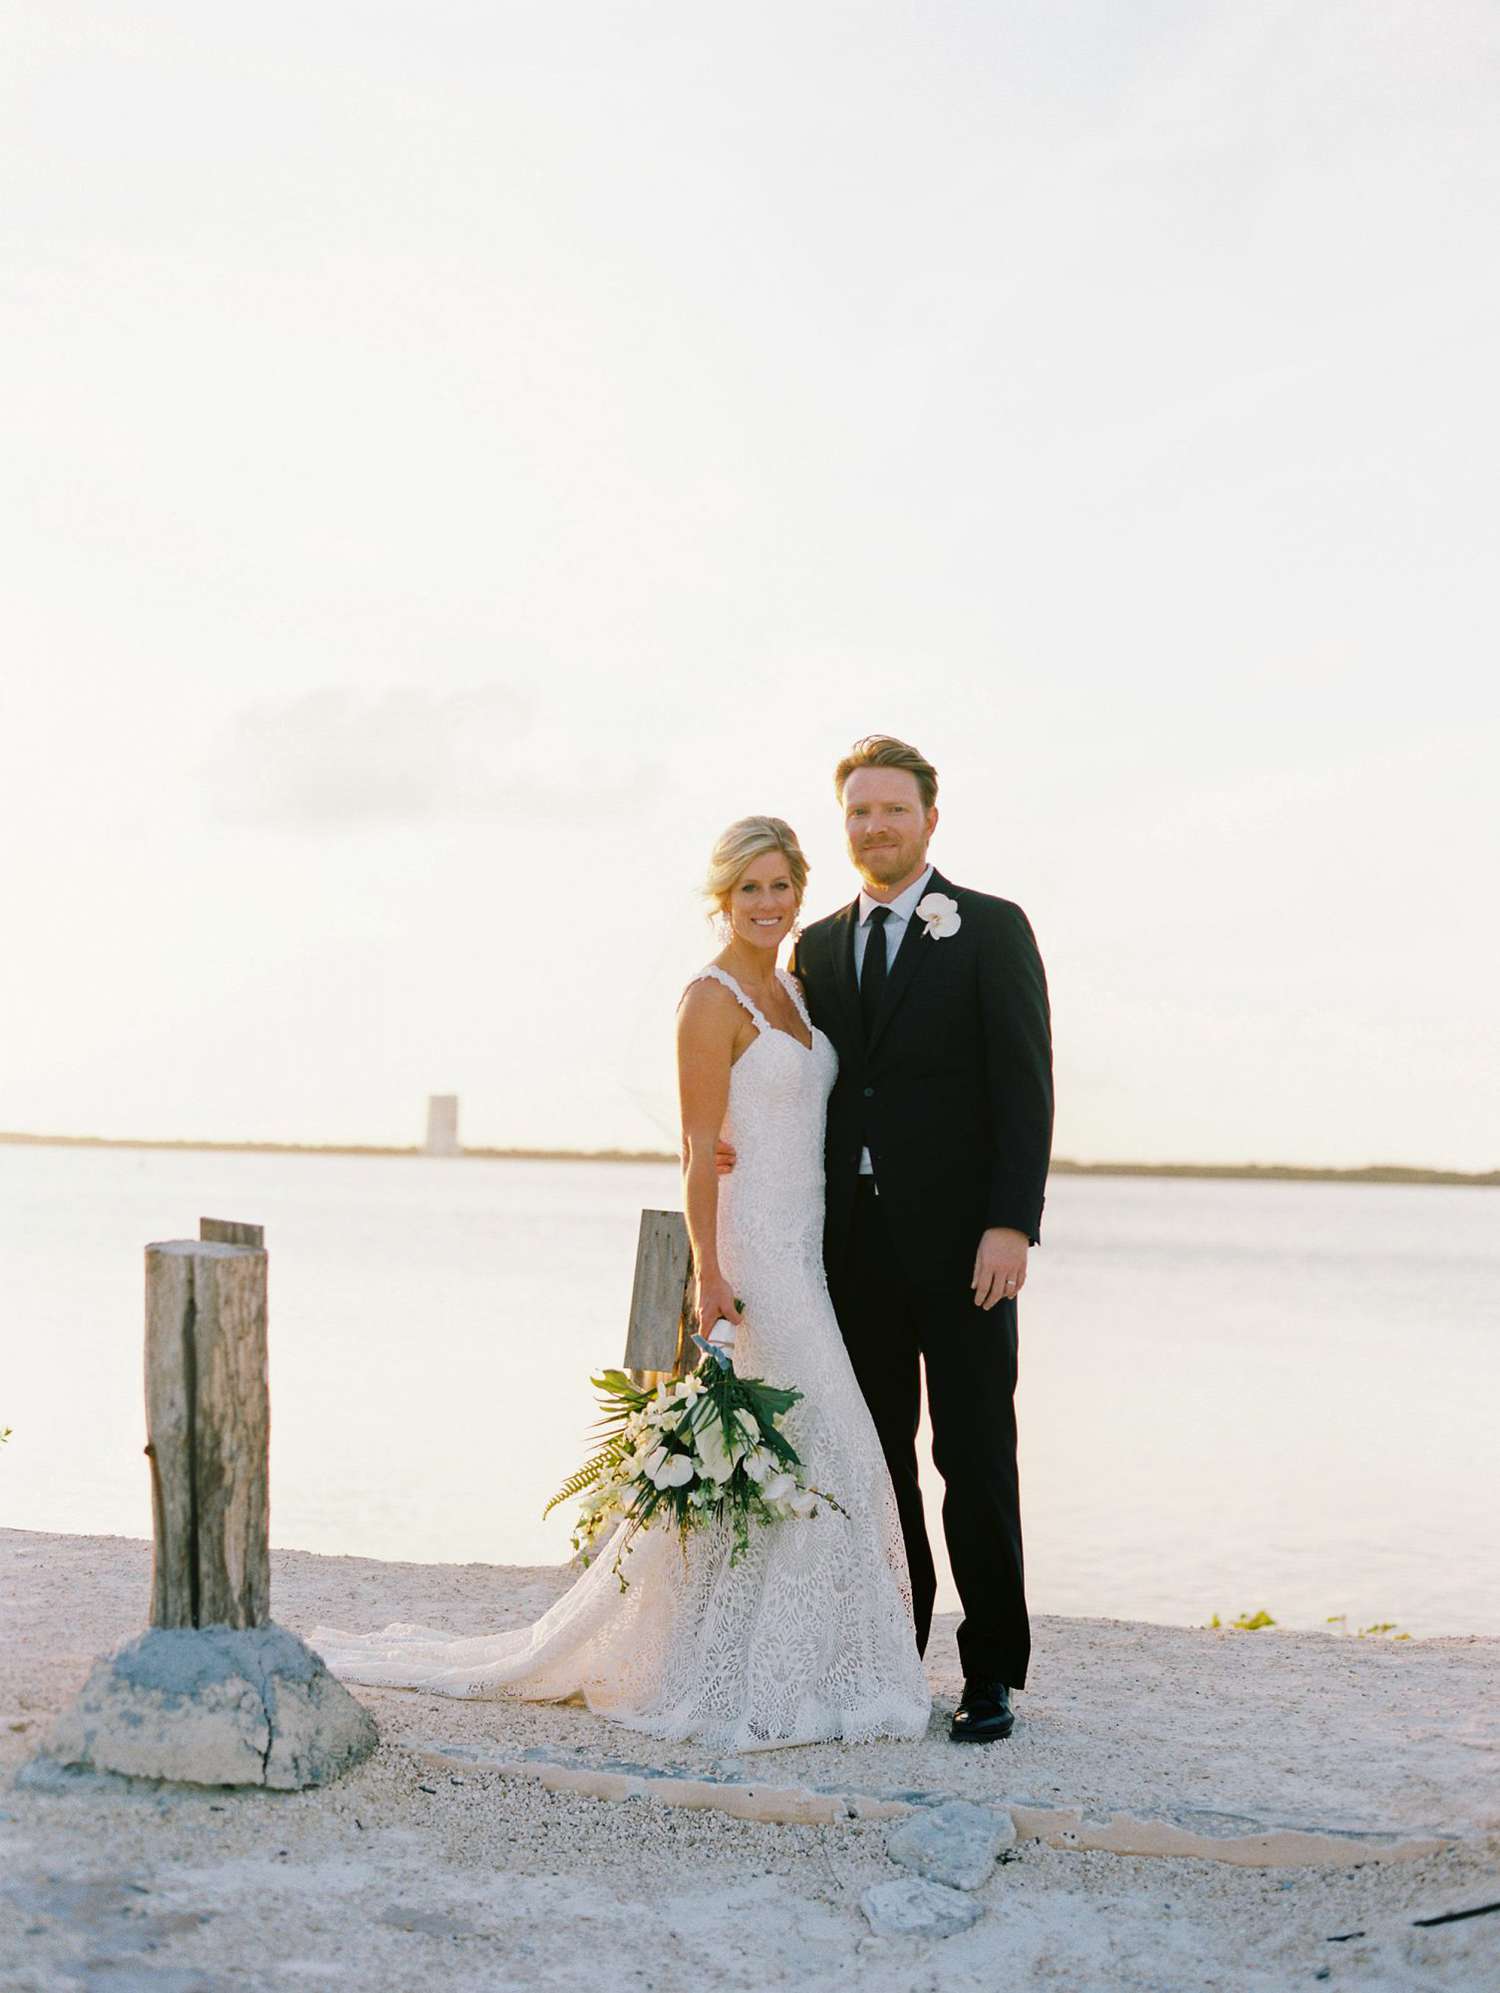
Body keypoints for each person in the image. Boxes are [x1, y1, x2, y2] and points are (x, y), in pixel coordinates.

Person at [308, 815, 931, 1753]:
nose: (768, 903)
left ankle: (802, 1661)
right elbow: (695, 1148)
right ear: (722, 898)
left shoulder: (800, 990)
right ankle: (754, 1674)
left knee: (814, 1450)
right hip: (754, 1253)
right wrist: (710, 1272)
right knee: (832, 1440)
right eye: (750, 888)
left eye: (780, 885)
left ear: (801, 889)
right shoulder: (710, 1000)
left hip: (811, 1246)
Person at [788, 735, 1053, 1743]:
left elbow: (1023, 1088)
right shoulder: (815, 947)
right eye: (858, 812)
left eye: (892, 810)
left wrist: (1010, 1223)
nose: (875, 827)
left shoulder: (988, 929)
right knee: (876, 1459)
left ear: (930, 819)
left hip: (965, 1250)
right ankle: (890, 1656)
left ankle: (990, 1674)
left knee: (977, 1454)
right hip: (853, 1249)